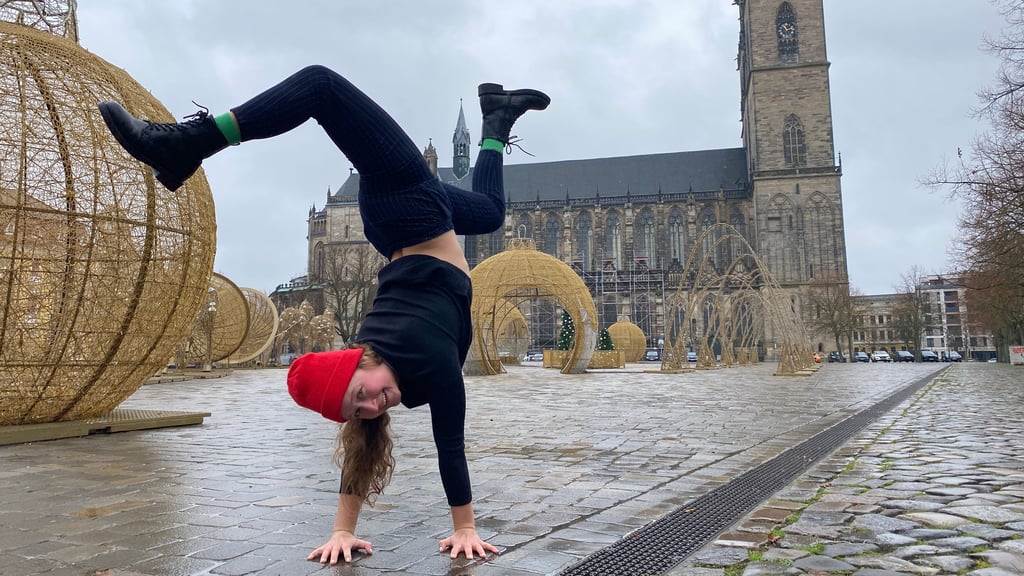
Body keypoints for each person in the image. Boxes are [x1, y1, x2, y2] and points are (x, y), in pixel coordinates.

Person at [97, 65, 549, 565]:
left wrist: (465, 525)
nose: (376, 406)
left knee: (320, 87)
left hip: (409, 207)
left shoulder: (425, 361)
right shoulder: (402, 380)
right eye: (363, 410)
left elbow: (450, 446)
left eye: (363, 396)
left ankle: (190, 142)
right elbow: (363, 450)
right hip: (404, 226)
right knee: (487, 212)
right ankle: (496, 118)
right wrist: (341, 531)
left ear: (359, 361)